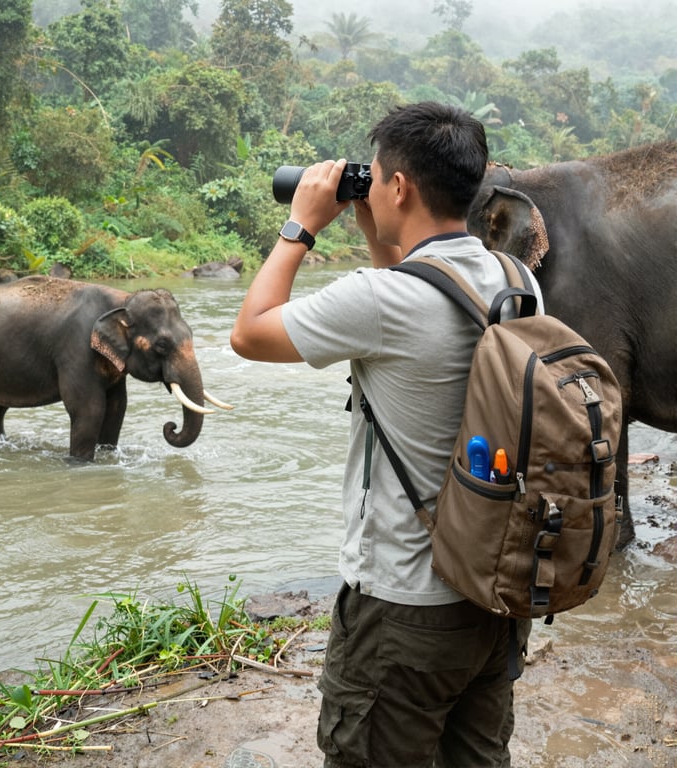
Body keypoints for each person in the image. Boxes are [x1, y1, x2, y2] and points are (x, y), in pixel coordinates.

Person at [230, 101, 539, 767]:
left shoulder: (375, 301)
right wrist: (379, 234)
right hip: (494, 596)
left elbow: (249, 333)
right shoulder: (517, 281)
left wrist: (300, 226)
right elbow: (419, 293)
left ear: (398, 186)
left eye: (376, 180)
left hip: (403, 607)